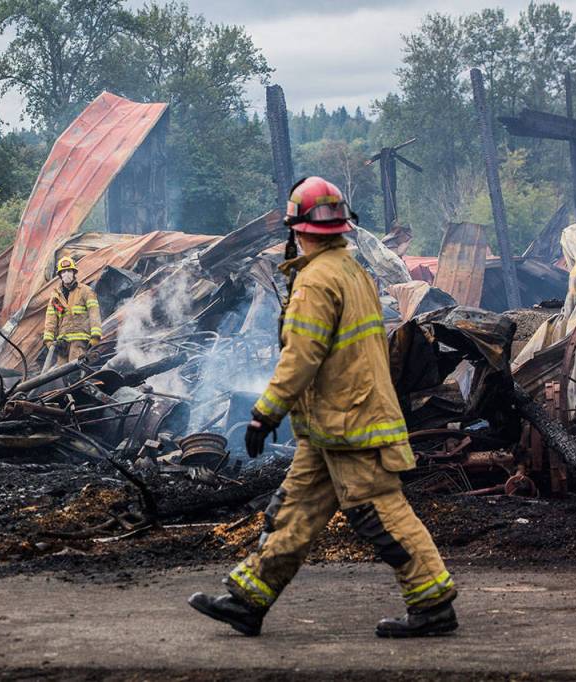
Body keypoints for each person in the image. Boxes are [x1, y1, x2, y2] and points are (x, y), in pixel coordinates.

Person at [188, 177, 457, 638]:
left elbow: (302, 355)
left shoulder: (315, 280)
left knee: (379, 512)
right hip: (332, 424)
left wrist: (265, 412)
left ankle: (432, 603)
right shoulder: (352, 271)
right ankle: (248, 599)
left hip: (351, 423)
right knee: (293, 509)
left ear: (298, 229)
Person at [42, 256, 102, 364]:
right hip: (63, 344)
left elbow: (94, 314)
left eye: (69, 271)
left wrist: (95, 336)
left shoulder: (85, 291)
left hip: (80, 341)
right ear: (60, 275)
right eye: (63, 271)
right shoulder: (56, 296)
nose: (66, 274)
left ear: (74, 272)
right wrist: (48, 340)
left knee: (75, 372)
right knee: (61, 376)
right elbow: (50, 319)